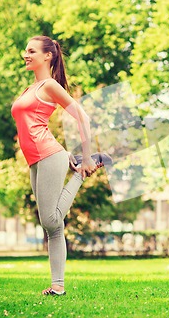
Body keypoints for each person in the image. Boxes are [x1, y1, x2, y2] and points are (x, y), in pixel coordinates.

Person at [11, 35, 105, 296]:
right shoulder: (31, 88)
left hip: (48, 154)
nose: (25, 55)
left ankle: (82, 174)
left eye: (31, 51)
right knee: (53, 227)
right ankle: (58, 287)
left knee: (50, 220)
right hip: (36, 160)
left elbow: (82, 116)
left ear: (47, 56)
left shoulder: (50, 85)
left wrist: (86, 157)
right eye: (25, 50)